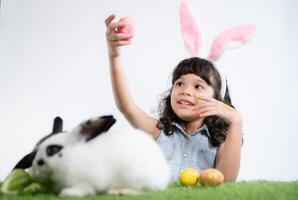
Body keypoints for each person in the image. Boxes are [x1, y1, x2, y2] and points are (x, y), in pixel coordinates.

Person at [104, 14, 242, 182]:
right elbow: (128, 108)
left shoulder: (220, 140)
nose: (185, 91)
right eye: (179, 83)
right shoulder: (159, 131)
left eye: (198, 86)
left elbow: (226, 182)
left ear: (217, 99)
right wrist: (114, 56)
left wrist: (236, 120)